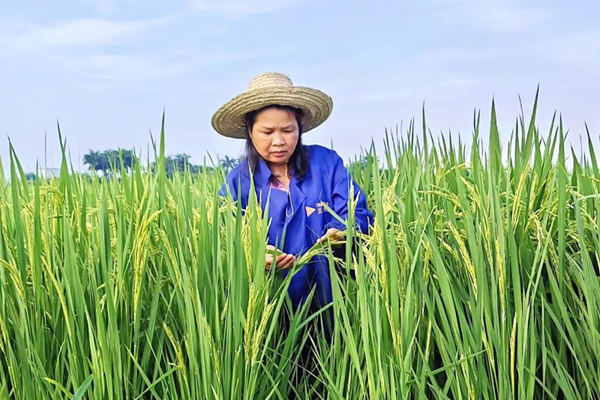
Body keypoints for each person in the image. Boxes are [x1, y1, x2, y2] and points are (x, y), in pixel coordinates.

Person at [214, 71, 372, 321]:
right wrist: (255, 253)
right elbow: (224, 239)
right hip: (272, 309)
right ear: (250, 131)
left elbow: (359, 213)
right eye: (267, 132)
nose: (278, 141)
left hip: (334, 300)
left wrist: (340, 231)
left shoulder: (326, 164)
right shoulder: (237, 184)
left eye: (287, 130)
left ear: (299, 126)